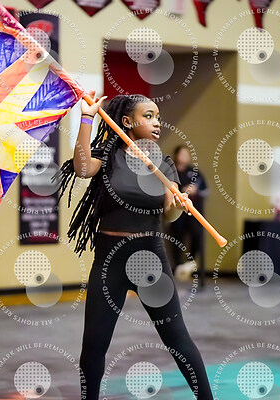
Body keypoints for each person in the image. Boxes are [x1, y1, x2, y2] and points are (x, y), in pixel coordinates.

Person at [56, 92, 214, 399]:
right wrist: (87, 117)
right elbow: (82, 168)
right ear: (127, 121)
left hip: (150, 259)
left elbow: (169, 212)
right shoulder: (108, 156)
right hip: (110, 260)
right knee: (94, 345)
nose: (157, 123)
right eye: (148, 116)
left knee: (178, 340)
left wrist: (178, 205)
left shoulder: (163, 164)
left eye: (158, 117)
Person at [169, 146, 208, 282]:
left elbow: (205, 189)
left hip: (193, 212)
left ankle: (191, 264)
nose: (184, 157)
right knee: (177, 237)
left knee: (196, 236)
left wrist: (195, 190)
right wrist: (181, 191)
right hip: (177, 212)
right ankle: (177, 267)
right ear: (176, 155)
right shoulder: (171, 172)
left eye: (186, 154)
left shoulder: (194, 172)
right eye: (182, 154)